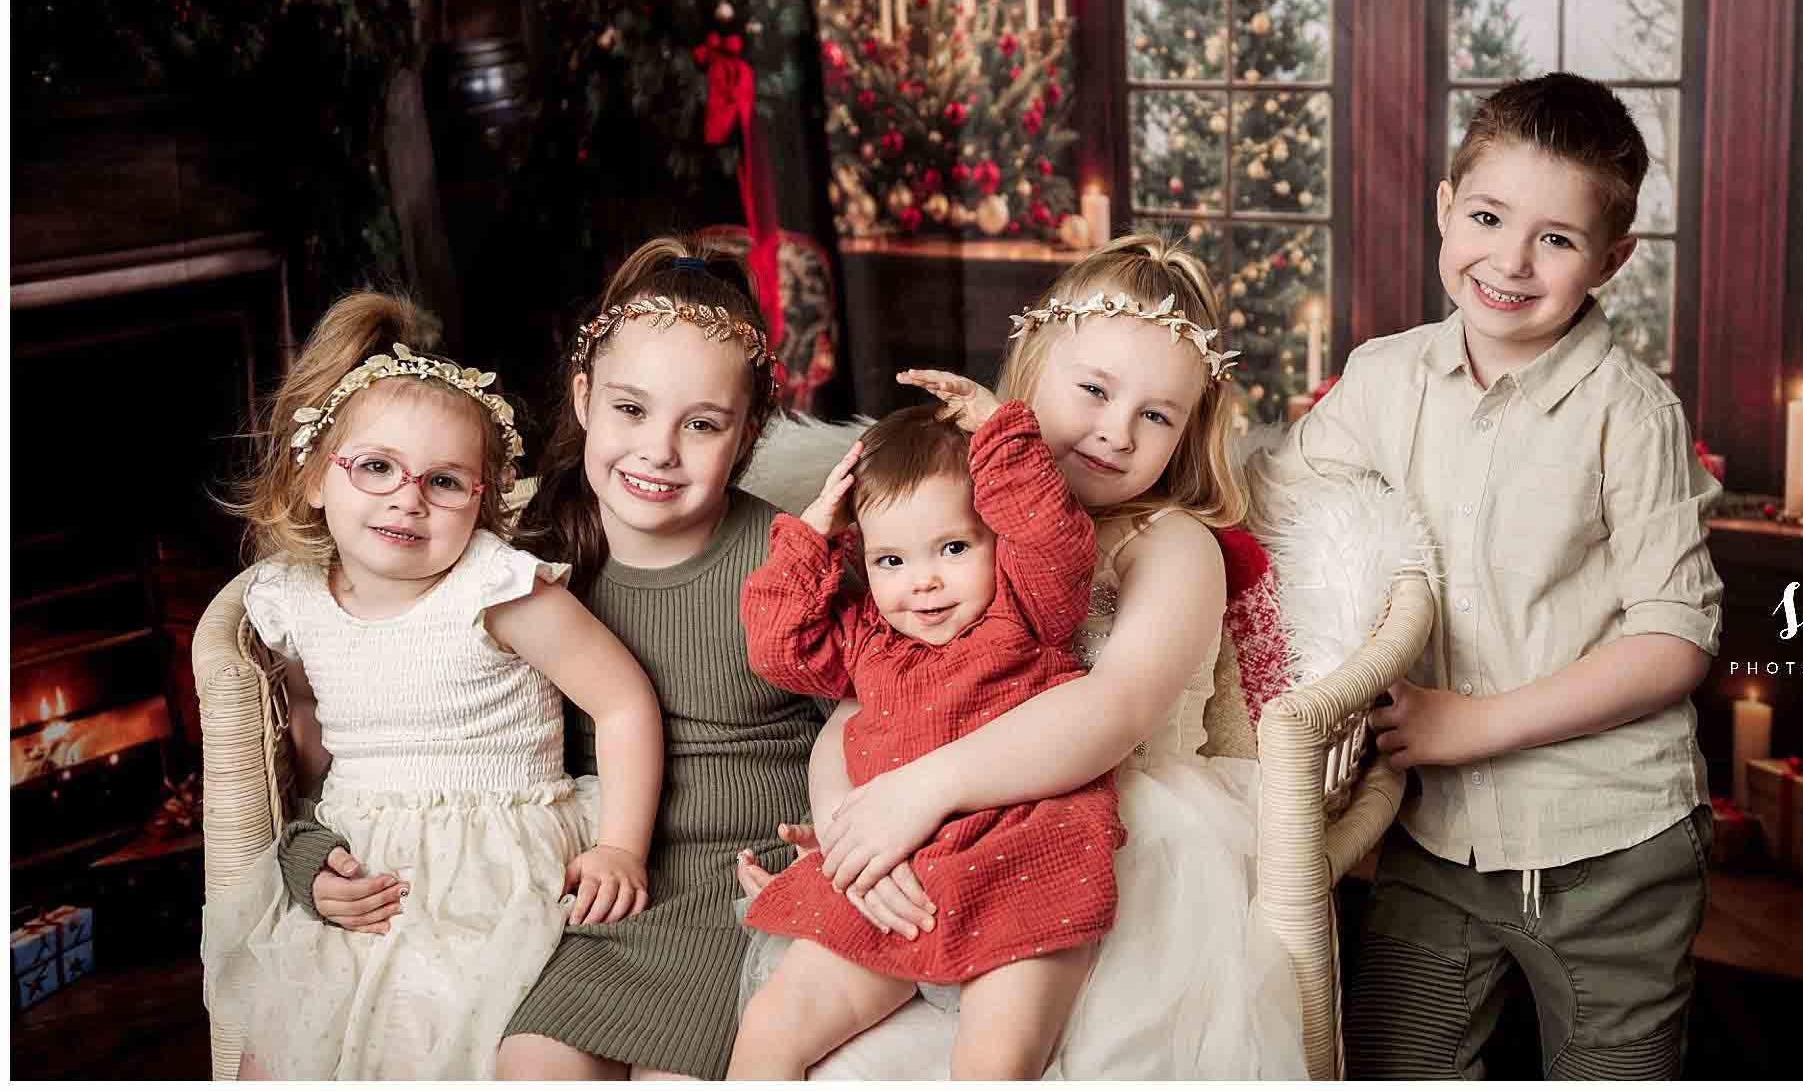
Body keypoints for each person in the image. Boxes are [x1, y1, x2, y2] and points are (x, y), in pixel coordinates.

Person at [738, 233, 1308, 1078]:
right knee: (781, 1029)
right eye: (1093, 390)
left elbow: (1108, 710)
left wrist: (922, 788)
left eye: (1156, 415)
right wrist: (849, 818)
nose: (1116, 430)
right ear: (1034, 370)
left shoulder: (1171, 543)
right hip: (928, 827)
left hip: (1091, 831)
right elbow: (871, 691)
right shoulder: (952, 523)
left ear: (1187, 434)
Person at [1259, 72, 1724, 1077]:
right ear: (1444, 204)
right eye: (1486, 216)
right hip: (1437, 846)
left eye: (1555, 239)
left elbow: (1673, 636)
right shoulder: (1385, 377)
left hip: (1614, 844)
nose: (1509, 261)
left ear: (1611, 258)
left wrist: (1468, 724)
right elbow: (1273, 502)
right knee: (1392, 1066)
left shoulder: (1630, 413)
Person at [270, 242, 820, 1080]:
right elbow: (385, 716)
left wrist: (848, 817)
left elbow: (874, 708)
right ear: (585, 399)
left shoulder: (784, 562)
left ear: (748, 436)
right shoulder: (525, 557)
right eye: (631, 410)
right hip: (594, 890)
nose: (659, 450)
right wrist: (309, 847)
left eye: (702, 423)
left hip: (746, 880)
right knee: (530, 1065)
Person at [201, 292, 663, 1080]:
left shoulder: (498, 591)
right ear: (317, 478)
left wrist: (621, 845)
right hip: (371, 873)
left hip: (499, 874)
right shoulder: (294, 601)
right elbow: (310, 754)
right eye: (375, 466)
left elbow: (623, 702)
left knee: (448, 1031)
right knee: (278, 1052)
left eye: (444, 481)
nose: (406, 498)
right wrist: (313, 858)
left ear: (483, 501)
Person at [731, 397, 1122, 1080]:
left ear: (996, 537)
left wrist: (1003, 437)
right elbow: (777, 650)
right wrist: (810, 535)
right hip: (898, 868)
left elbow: (1056, 541)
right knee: (771, 1024)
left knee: (995, 1060)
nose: (924, 582)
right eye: (891, 560)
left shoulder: (1023, 606)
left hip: (1018, 857)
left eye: (953, 547)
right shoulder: (866, 636)